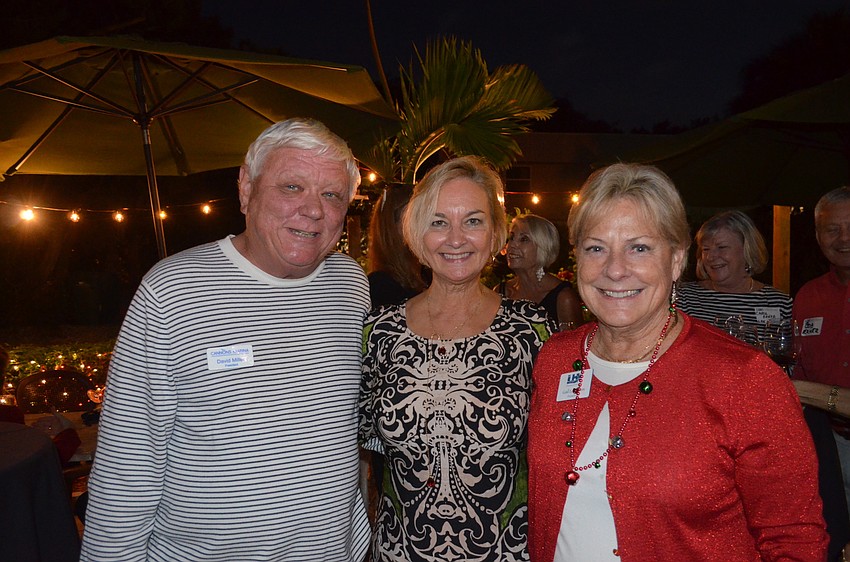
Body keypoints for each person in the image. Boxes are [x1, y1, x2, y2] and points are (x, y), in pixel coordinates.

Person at [80, 118, 371, 561]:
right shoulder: (172, 291)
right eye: (292, 187)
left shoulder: (350, 285)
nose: (313, 210)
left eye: (331, 194)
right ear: (246, 189)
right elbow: (128, 465)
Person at [527, 163, 827, 561]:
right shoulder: (556, 358)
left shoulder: (745, 379)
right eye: (596, 247)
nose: (615, 269)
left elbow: (794, 540)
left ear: (676, 260)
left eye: (639, 247)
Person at [359, 156, 552, 561]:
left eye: (474, 221)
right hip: (400, 550)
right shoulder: (379, 332)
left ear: (497, 232)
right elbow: (361, 457)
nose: (456, 238)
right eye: (438, 221)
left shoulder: (533, 332)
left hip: (505, 551)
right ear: (415, 232)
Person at [792, 186, 850, 559]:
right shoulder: (807, 296)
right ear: (817, 236)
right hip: (829, 446)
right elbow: (797, 362)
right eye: (832, 229)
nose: (844, 238)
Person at [677, 210, 792, 343]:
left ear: (747, 249)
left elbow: (789, 355)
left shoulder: (778, 303)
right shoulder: (684, 298)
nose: (710, 257)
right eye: (705, 249)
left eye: (721, 247)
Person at [496, 213, 584, 330]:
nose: (512, 245)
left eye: (524, 239)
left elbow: (575, 346)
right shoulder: (501, 292)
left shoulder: (563, 298)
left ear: (543, 247)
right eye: (511, 238)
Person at [367, 184, 427, 307]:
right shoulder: (380, 285)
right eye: (415, 215)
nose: (424, 224)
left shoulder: (427, 274)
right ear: (392, 225)